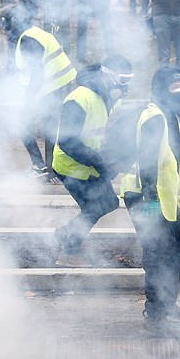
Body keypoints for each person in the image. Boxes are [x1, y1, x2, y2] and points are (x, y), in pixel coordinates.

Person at [121, 66, 180, 335]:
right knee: (158, 254)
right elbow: (147, 162)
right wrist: (150, 203)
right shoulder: (155, 118)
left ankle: (166, 304)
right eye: (175, 87)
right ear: (161, 89)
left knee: (179, 248)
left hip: (162, 197)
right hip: (146, 195)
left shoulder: (169, 115)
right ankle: (156, 313)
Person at [53, 57, 133, 266]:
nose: (125, 86)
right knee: (96, 206)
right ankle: (68, 250)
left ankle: (67, 234)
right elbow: (67, 141)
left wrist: (118, 159)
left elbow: (105, 133)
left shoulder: (107, 98)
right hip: (70, 166)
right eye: (122, 80)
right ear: (107, 75)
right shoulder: (79, 98)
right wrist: (101, 163)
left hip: (89, 165)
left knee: (107, 203)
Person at [13, 8, 78, 181]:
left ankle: (40, 166)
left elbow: (37, 74)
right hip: (62, 83)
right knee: (51, 127)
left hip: (53, 87)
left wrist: (28, 100)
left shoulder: (27, 40)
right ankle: (52, 169)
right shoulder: (36, 33)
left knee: (22, 123)